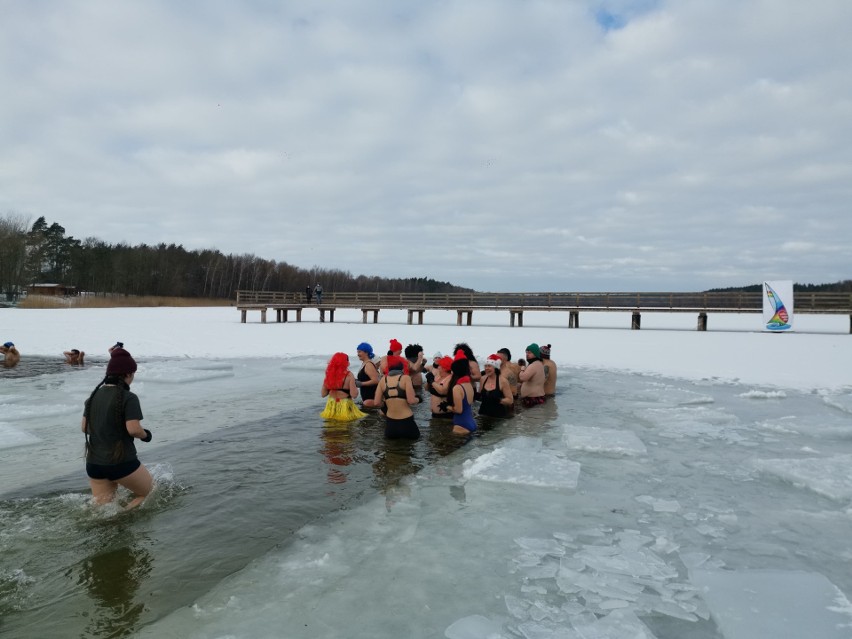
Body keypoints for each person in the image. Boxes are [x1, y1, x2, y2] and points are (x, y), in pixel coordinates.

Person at [81, 347, 153, 510]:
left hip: (94, 464)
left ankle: (109, 527)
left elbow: (84, 427)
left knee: (103, 510)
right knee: (148, 493)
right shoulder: (129, 398)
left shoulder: (93, 396)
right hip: (121, 462)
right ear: (128, 374)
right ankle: (124, 517)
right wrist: (146, 435)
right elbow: (133, 429)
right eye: (133, 374)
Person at [364, 355, 421, 439]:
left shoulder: (383, 380)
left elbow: (376, 403)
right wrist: (419, 399)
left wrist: (388, 402)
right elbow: (411, 401)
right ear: (402, 367)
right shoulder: (405, 378)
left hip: (391, 425)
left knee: (391, 450)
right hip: (406, 423)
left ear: (388, 368)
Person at [320, 352, 366, 421]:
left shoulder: (329, 375)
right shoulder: (349, 375)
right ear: (346, 362)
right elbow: (354, 395)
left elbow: (323, 394)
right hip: (345, 405)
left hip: (331, 406)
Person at [444, 350, 477, 435]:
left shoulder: (457, 388)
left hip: (461, 424)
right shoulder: (469, 385)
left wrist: (447, 406)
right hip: (471, 422)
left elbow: (459, 410)